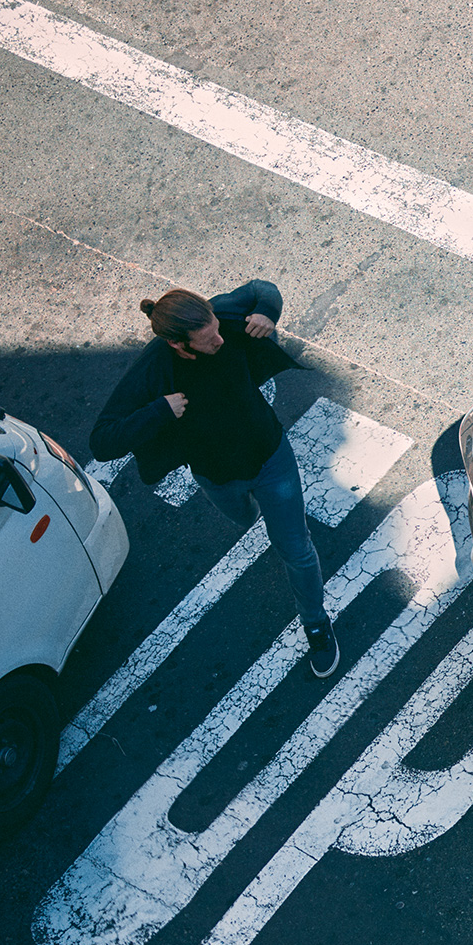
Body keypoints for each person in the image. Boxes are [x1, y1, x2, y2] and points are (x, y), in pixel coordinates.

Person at [90, 282, 339, 678]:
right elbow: (102, 440)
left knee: (296, 548)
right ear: (178, 344)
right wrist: (158, 411)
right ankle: (259, 512)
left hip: (271, 457)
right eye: (207, 340)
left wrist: (266, 313)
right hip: (217, 476)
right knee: (242, 517)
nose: (221, 339)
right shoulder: (155, 368)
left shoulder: (217, 315)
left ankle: (316, 622)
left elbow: (263, 288)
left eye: (218, 329)